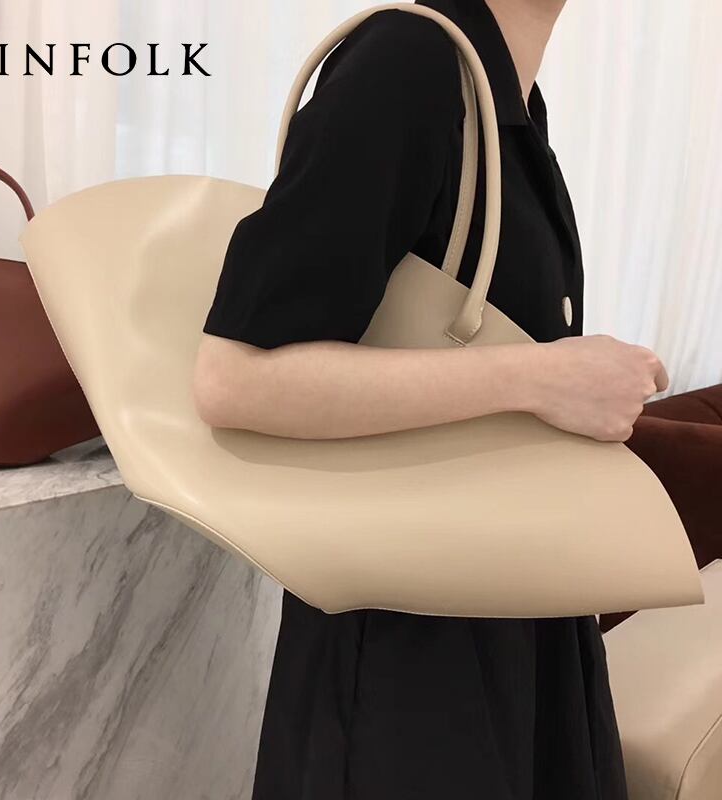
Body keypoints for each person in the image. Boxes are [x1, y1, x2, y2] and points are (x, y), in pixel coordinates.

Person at [194, 0, 668, 797]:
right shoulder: (409, 62)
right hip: (413, 652)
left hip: (510, 602)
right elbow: (236, 377)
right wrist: (542, 377)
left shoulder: (503, 101)